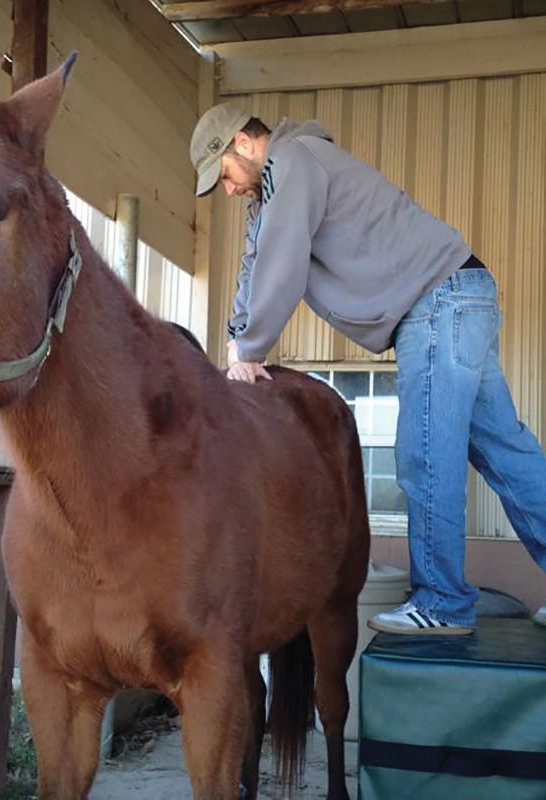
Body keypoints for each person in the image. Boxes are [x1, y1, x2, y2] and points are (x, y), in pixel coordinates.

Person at [190, 102, 546, 635]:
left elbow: (282, 263)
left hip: (438, 302)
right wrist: (238, 345)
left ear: (242, 143)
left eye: (223, 175)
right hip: (458, 294)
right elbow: (255, 266)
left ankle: (442, 603)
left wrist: (252, 349)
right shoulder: (273, 193)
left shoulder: (292, 161)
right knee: (506, 452)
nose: (227, 190)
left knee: (426, 453)